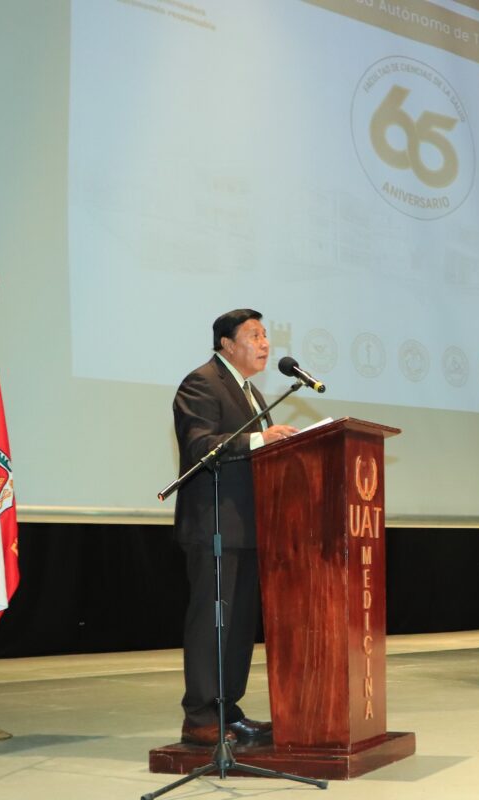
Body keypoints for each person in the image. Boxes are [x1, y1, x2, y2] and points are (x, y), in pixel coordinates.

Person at [173, 308, 298, 746]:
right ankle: (201, 715)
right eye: (255, 335)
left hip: (250, 527)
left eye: (266, 335)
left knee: (240, 624)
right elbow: (199, 445)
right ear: (226, 343)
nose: (265, 343)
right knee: (212, 621)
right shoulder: (202, 383)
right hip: (215, 526)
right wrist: (262, 439)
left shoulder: (252, 393)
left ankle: (228, 708)